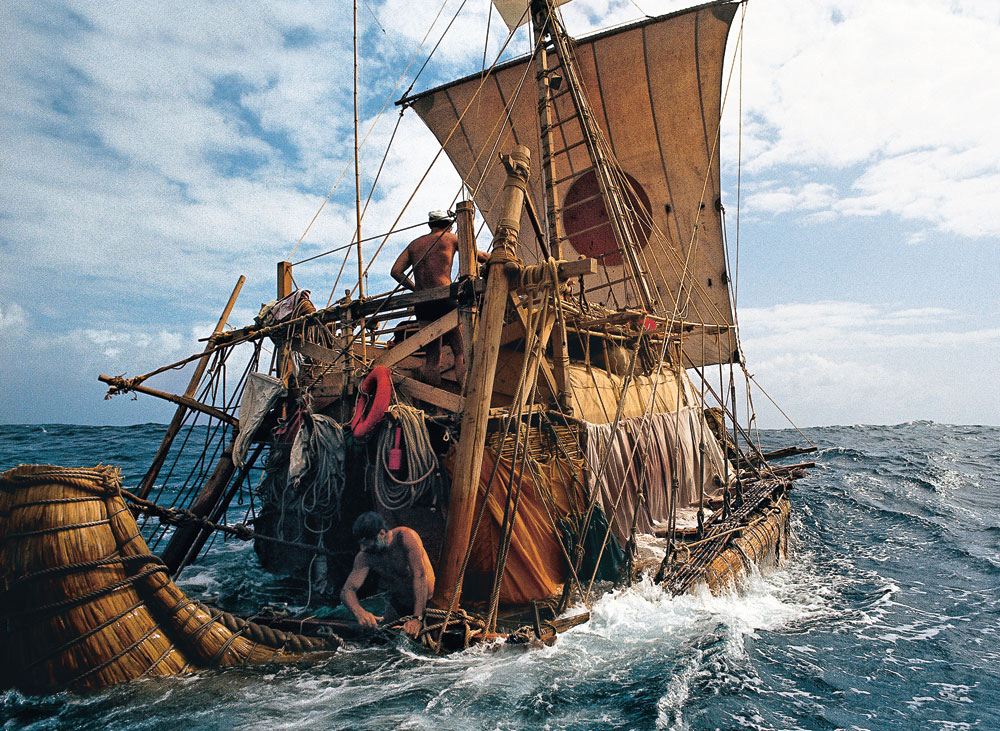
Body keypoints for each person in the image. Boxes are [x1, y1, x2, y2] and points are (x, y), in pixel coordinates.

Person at [390, 210, 489, 387]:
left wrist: (416, 288)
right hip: (445, 300)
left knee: (433, 358)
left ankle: (438, 409)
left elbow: (395, 271)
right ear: (449, 224)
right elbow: (480, 256)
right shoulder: (451, 238)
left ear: (431, 224)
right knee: (460, 352)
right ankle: (466, 400)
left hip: (423, 303)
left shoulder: (415, 244)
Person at [340, 512, 435, 638]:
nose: (362, 548)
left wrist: (417, 617)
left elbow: (420, 575)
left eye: (366, 543)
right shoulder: (365, 557)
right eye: (361, 544)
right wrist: (360, 612)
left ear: (381, 534)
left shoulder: (405, 537)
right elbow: (347, 590)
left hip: (429, 602)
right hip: (400, 604)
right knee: (379, 638)